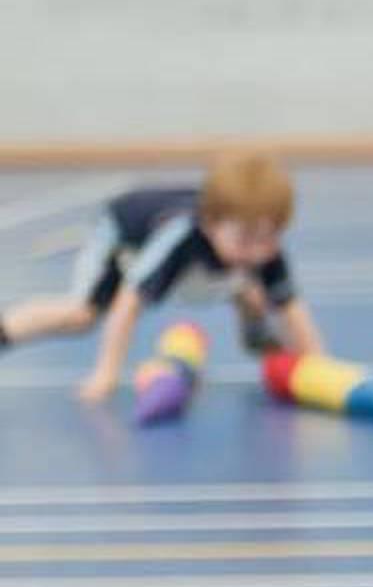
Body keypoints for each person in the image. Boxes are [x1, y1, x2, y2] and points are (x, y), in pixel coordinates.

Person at [0, 150, 324, 400]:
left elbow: (290, 306)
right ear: (210, 225)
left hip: (204, 260)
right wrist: (107, 372)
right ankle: (7, 330)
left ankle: (250, 321)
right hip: (123, 240)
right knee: (82, 315)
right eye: (246, 240)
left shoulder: (259, 246)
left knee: (255, 287)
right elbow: (129, 302)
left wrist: (317, 362)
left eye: (268, 238)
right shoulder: (179, 237)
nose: (257, 250)